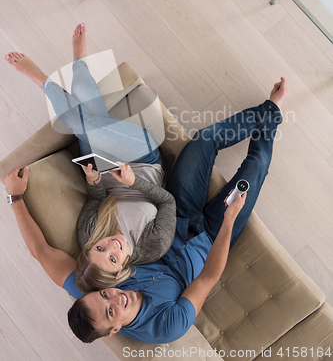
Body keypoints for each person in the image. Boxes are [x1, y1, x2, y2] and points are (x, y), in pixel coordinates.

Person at [5, 67, 287, 344]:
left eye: (105, 295)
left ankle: (269, 110)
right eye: (111, 310)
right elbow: (209, 278)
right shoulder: (165, 327)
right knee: (257, 165)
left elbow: (40, 252)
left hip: (175, 212)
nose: (115, 296)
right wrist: (228, 221)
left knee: (203, 141)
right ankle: (274, 113)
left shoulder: (93, 287)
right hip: (214, 237)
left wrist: (15, 198)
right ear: (114, 329)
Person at [4, 24, 177, 289]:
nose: (110, 245)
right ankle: (53, 74)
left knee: (89, 125)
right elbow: (167, 202)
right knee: (89, 126)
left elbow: (97, 198)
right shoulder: (153, 246)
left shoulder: (87, 234)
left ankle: (73, 64)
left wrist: (94, 181)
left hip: (105, 168)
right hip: (143, 159)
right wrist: (133, 183)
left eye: (99, 247)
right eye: (112, 258)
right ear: (120, 272)